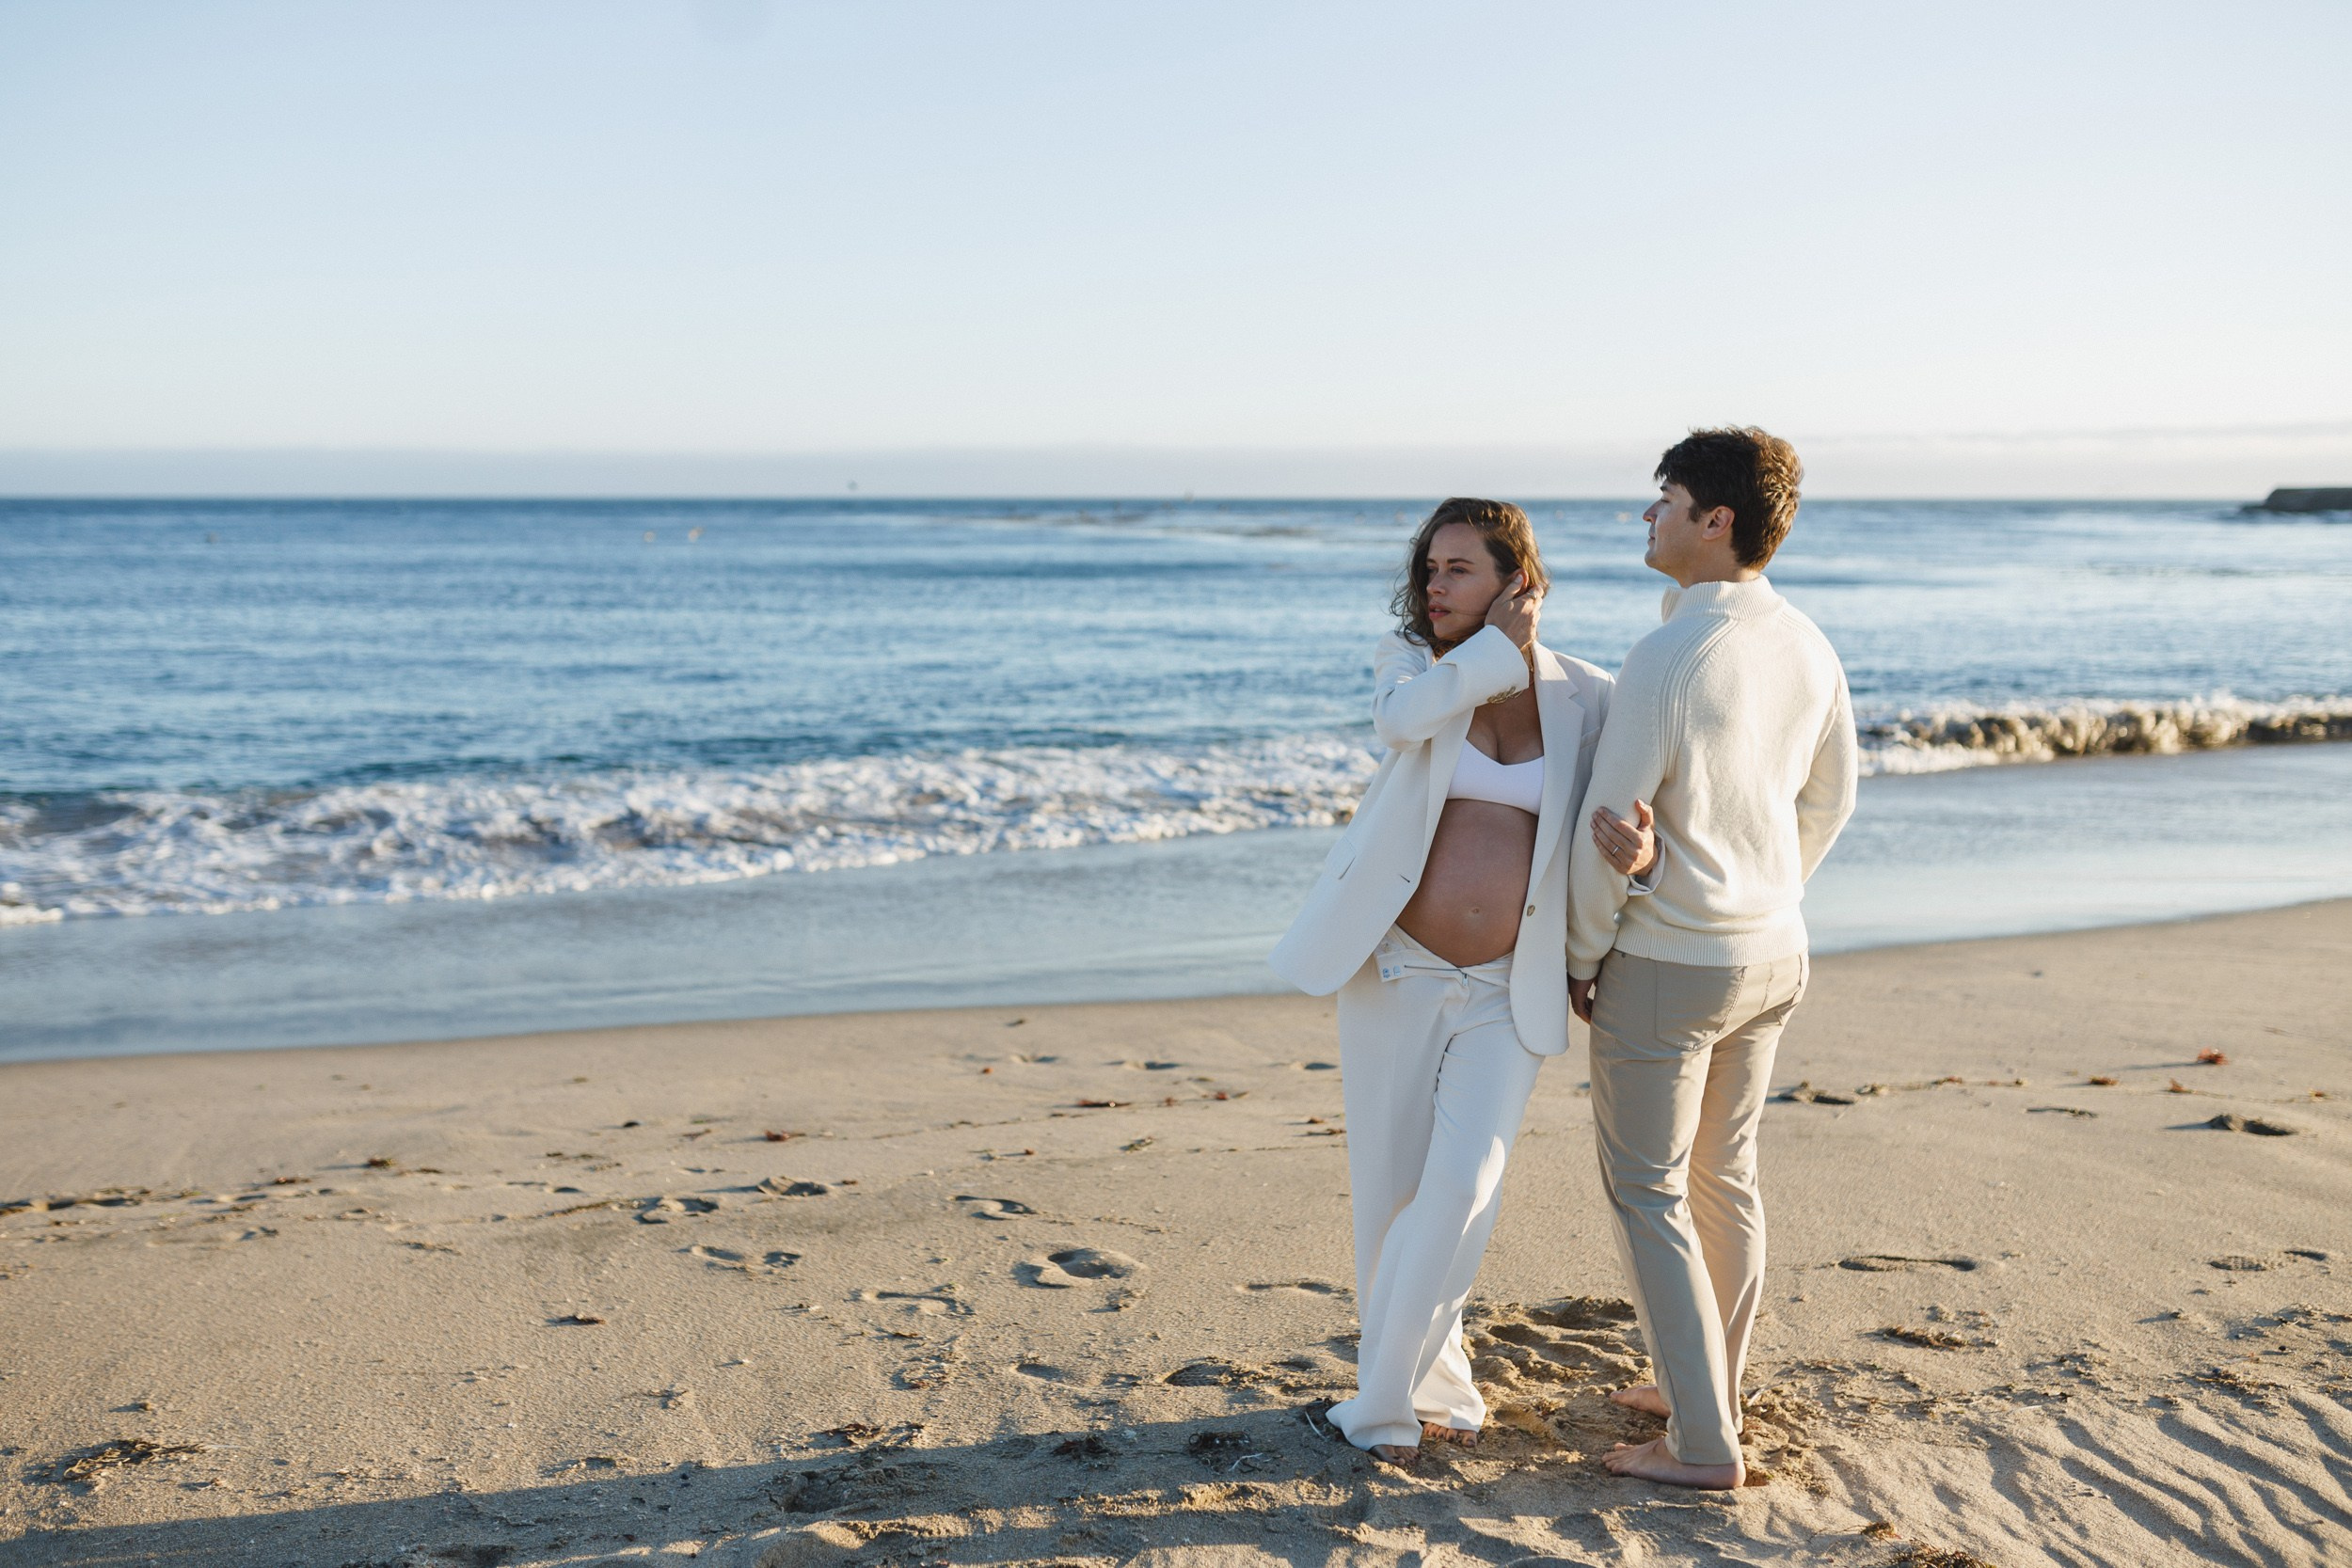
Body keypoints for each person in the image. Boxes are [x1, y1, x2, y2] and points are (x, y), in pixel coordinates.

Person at [1270, 498, 1654, 1465]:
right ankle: (1407, 1396)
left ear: (1515, 577)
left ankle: (1382, 1398)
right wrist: (1492, 651)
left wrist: (1640, 860)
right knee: (1389, 1195)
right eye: (1429, 569)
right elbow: (1401, 723)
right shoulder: (1414, 670)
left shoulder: (1587, 695)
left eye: (1457, 569)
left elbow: (1626, 824)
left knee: (1461, 1187)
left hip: (1504, 984)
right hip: (1395, 967)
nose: (1433, 586)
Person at [1567, 427, 1858, 1489]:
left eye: (1665, 498)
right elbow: (1831, 800)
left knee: (1645, 1191)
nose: (1649, 515)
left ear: (1715, 519)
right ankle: (1706, 1386)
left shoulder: (1671, 654)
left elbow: (1611, 824)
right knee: (1721, 1179)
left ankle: (1699, 1440)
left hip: (1670, 963)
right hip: (1773, 954)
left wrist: (1580, 950)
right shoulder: (1807, 642)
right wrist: (1762, 889)